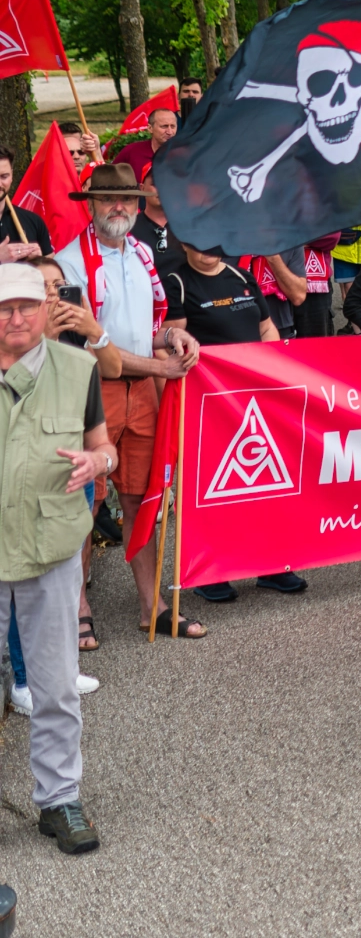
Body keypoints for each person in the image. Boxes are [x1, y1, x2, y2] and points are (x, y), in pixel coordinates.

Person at [54, 165, 202, 640]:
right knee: (85, 502)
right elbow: (94, 352)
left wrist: (176, 337)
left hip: (140, 392)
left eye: (127, 200)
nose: (119, 208)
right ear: (90, 204)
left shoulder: (140, 253)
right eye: (108, 200)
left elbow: (149, 329)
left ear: (138, 206)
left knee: (143, 497)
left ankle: (151, 603)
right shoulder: (69, 263)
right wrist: (159, 367)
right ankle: (76, 609)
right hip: (91, 392)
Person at [0, 263, 115, 854]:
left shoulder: (79, 368)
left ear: (46, 310)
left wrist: (100, 465)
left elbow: (104, 446)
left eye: (26, 306)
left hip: (50, 551)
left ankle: (60, 801)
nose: (15, 318)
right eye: (4, 309)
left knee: (55, 687)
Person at [166, 246, 307, 605]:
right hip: (208, 404)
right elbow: (172, 343)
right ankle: (213, 571)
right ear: (185, 244)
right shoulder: (178, 283)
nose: (207, 252)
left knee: (266, 486)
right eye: (198, 244)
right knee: (215, 490)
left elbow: (266, 328)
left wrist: (272, 371)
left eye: (215, 244)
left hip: (254, 400)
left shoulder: (242, 277)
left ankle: (272, 566)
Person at [0, 147, 50, 260]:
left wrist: (39, 261)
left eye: (4, 177)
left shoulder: (34, 221)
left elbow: (52, 273)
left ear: (12, 175)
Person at [112, 106, 176, 186]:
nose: (170, 132)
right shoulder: (132, 152)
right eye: (164, 126)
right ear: (150, 128)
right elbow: (109, 178)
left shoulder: (184, 155)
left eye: (173, 126)